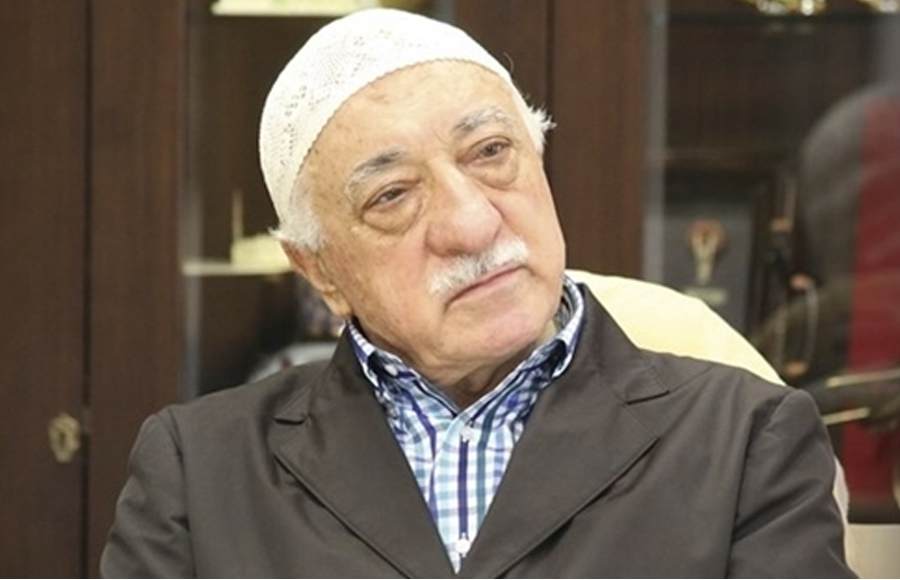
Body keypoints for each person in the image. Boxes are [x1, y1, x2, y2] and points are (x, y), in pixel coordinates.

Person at [100, 8, 854, 578]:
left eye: (491, 153)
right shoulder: (199, 471)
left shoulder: (747, 439)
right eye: (392, 195)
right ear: (320, 271)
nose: (470, 223)